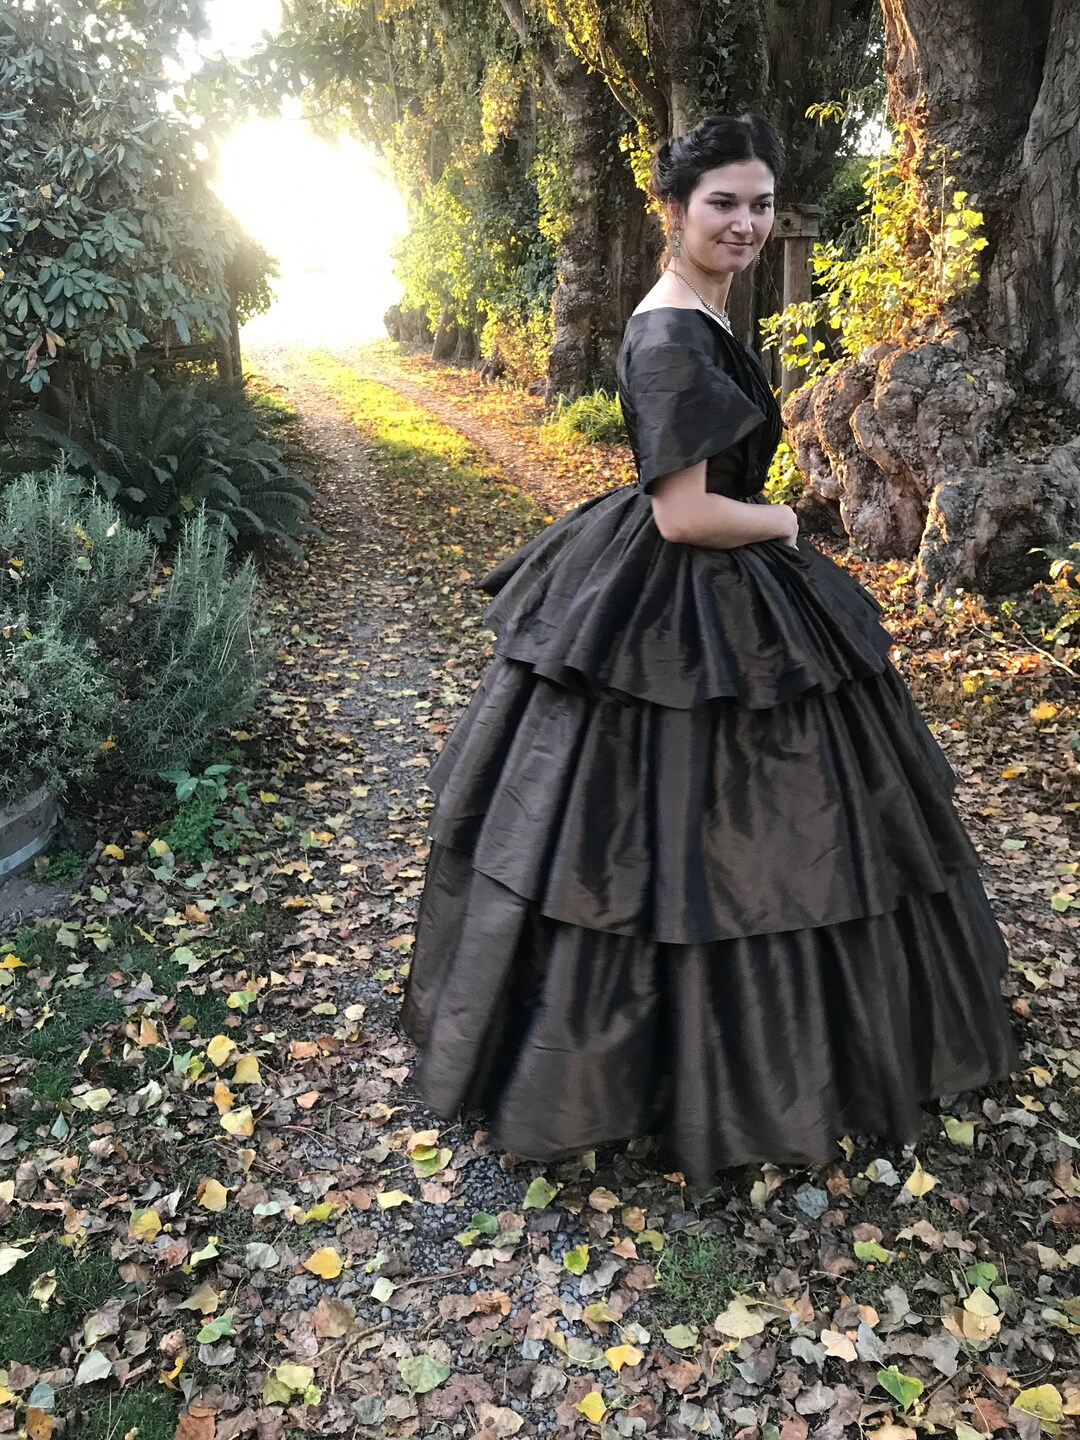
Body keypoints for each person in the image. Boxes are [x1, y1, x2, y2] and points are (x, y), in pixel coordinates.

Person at [400, 112, 1017, 1186]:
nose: (745, 222)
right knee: (684, 837)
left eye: (761, 203)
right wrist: (786, 524)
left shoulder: (703, 312)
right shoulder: (671, 334)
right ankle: (669, 1073)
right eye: (722, 202)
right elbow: (685, 515)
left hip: (699, 576)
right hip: (693, 574)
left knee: (728, 825)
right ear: (675, 210)